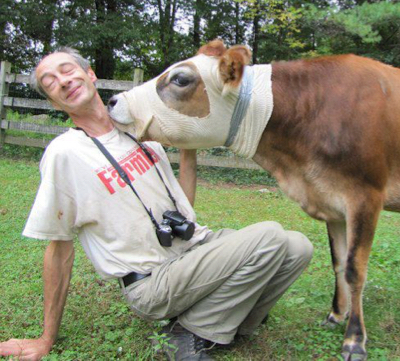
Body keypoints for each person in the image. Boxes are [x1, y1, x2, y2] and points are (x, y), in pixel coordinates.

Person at [0, 48, 313, 361]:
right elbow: (59, 248)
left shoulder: (136, 126)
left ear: (90, 73)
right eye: (50, 82)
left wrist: (188, 148)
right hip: (151, 281)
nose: (63, 81)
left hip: (191, 251)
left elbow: (181, 206)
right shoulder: (64, 154)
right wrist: (46, 337)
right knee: (270, 234)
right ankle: (187, 333)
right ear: (53, 102)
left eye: (67, 70)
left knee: (298, 246)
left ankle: (234, 324)